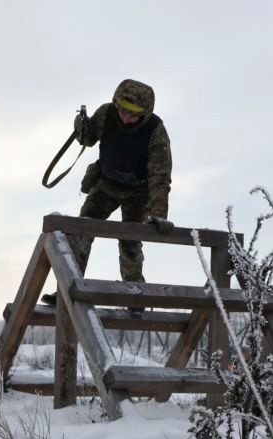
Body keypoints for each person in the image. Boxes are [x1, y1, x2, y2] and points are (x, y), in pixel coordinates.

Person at [41, 79, 174, 316]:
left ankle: (134, 295)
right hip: (106, 184)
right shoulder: (106, 114)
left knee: (130, 241)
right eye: (122, 110)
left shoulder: (156, 131)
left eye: (132, 114)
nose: (125, 117)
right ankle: (67, 287)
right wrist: (82, 127)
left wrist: (159, 214)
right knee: (81, 230)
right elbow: (89, 138)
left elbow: (160, 177)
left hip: (138, 192)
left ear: (144, 113)